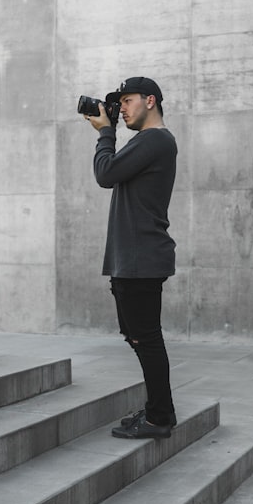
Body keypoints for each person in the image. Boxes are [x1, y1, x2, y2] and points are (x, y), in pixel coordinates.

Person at [83, 76, 178, 440]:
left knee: (146, 338)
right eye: (118, 103)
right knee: (139, 336)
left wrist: (105, 133)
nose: (121, 108)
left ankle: (159, 417)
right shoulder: (148, 142)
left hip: (141, 258)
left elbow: (105, 173)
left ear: (150, 101)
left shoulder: (155, 139)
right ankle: (158, 409)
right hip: (136, 257)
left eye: (127, 100)